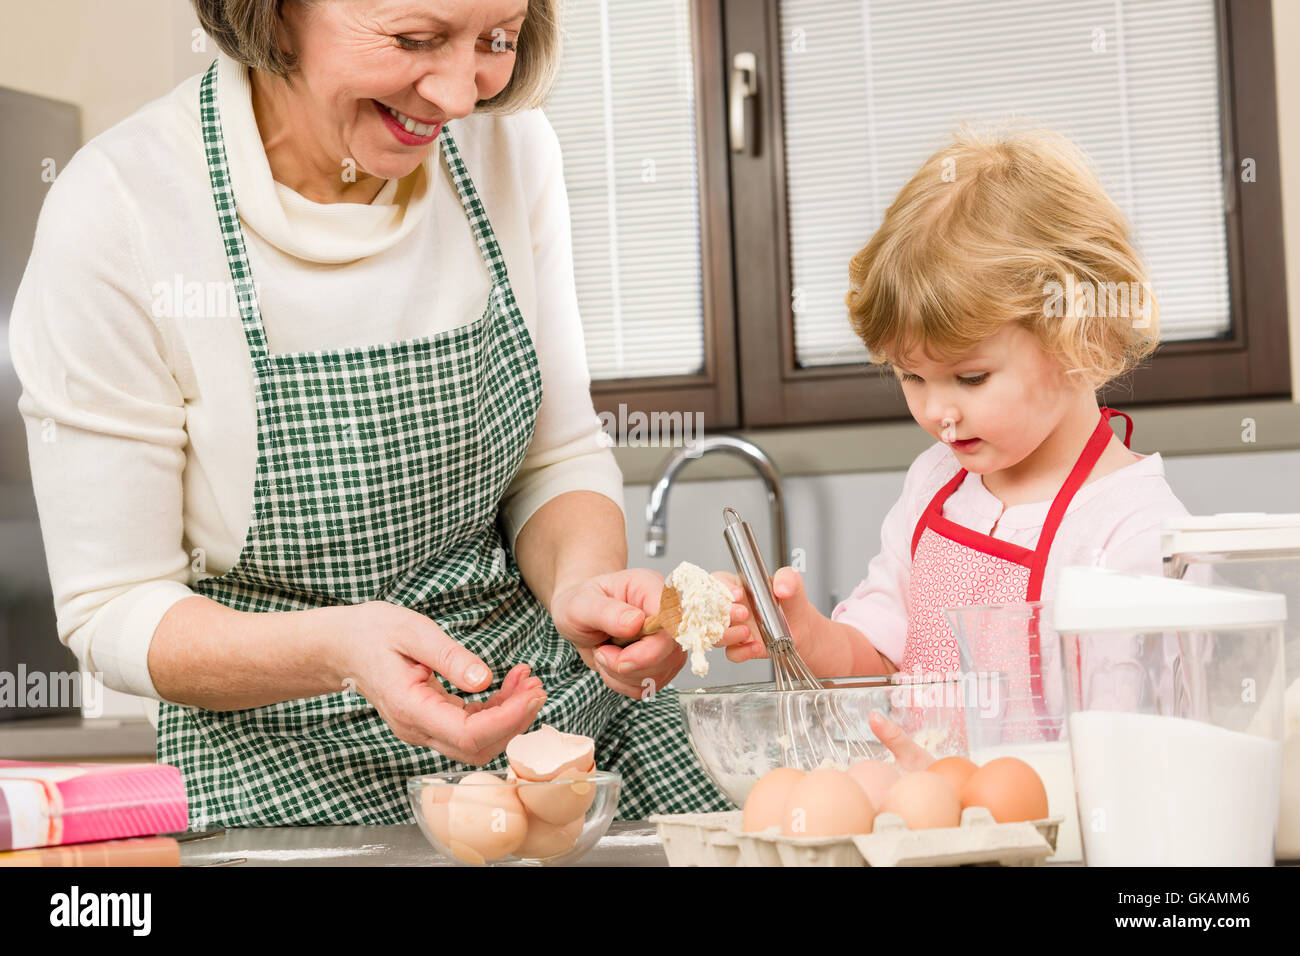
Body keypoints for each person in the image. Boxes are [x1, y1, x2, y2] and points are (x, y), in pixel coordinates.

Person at [9, 0, 738, 827]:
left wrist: (584, 592)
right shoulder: (121, 211)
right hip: (283, 786)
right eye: (415, 40)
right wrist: (343, 650)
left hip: (562, 745)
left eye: (496, 40)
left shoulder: (510, 146)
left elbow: (555, 457)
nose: (462, 95)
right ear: (276, 17)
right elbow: (115, 605)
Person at [720, 126, 1190, 759]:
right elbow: (881, 656)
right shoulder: (936, 485)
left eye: (971, 377)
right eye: (911, 376)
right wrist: (805, 633)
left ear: (1084, 339)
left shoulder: (1135, 533)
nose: (938, 411)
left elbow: (1141, 757)